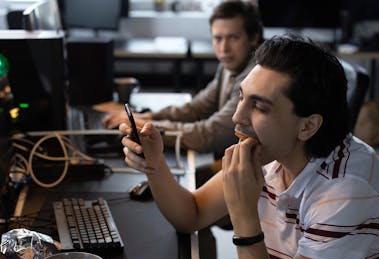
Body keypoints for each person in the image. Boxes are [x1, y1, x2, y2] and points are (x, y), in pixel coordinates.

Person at [119, 34, 379, 259]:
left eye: (259, 107)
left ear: (307, 126)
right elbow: (191, 215)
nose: (239, 117)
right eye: (242, 97)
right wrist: (155, 166)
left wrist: (244, 215)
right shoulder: (275, 151)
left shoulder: (344, 192)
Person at [103, 0, 263, 155]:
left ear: (253, 38)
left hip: (244, 169)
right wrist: (146, 117)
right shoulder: (229, 65)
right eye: (218, 38)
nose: (224, 48)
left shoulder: (255, 78)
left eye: (233, 38)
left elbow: (208, 135)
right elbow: (197, 108)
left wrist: (146, 126)